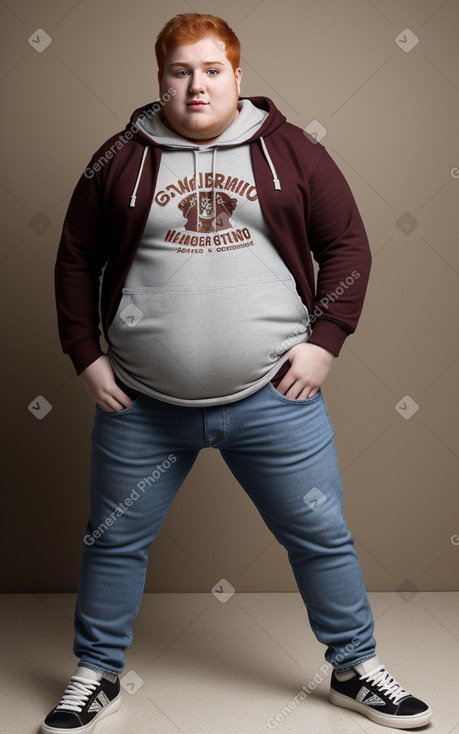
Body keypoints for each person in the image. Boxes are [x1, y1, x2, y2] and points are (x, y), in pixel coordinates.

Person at [42, 13, 432, 733]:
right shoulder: (117, 157)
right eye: (180, 72)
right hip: (141, 403)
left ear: (236, 75)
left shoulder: (292, 150)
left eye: (211, 70)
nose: (196, 86)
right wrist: (85, 355)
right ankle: (97, 673)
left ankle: (353, 667)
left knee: (321, 536)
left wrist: (325, 340)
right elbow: (75, 259)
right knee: (113, 540)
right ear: (160, 79)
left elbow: (346, 246)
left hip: (272, 398)